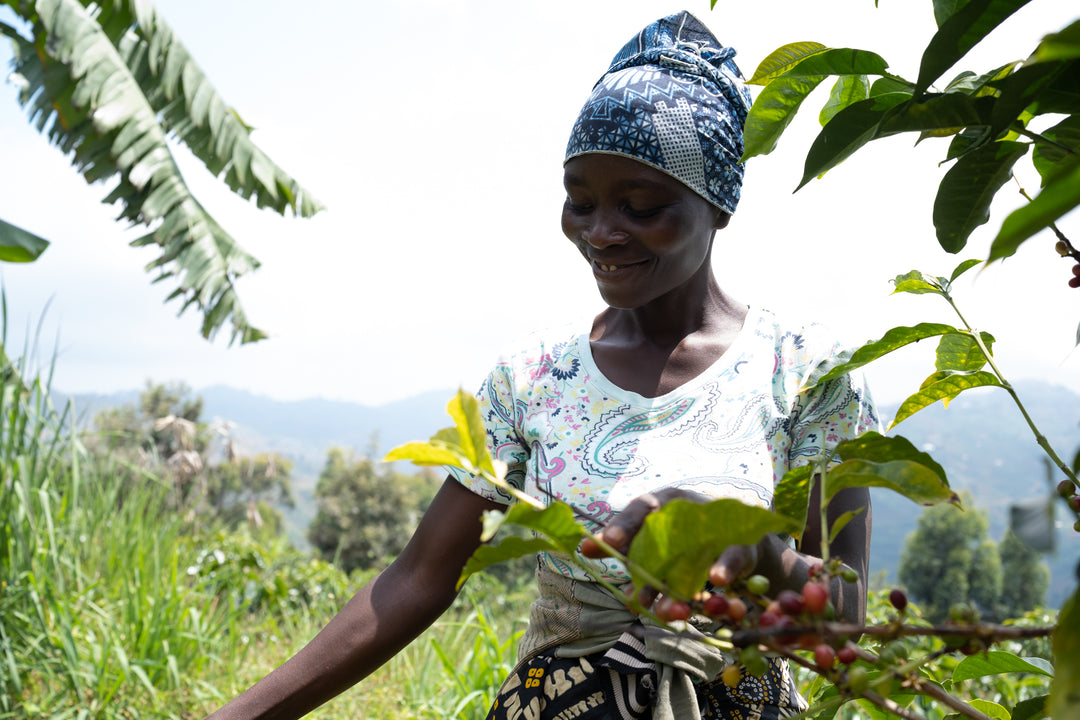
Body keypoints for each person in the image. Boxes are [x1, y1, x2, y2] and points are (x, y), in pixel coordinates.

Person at [205, 10, 876, 720]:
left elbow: (848, 614)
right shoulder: (536, 378)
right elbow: (421, 576)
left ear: (718, 204)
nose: (602, 232)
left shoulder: (805, 374)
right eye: (580, 202)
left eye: (641, 204)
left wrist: (758, 549)